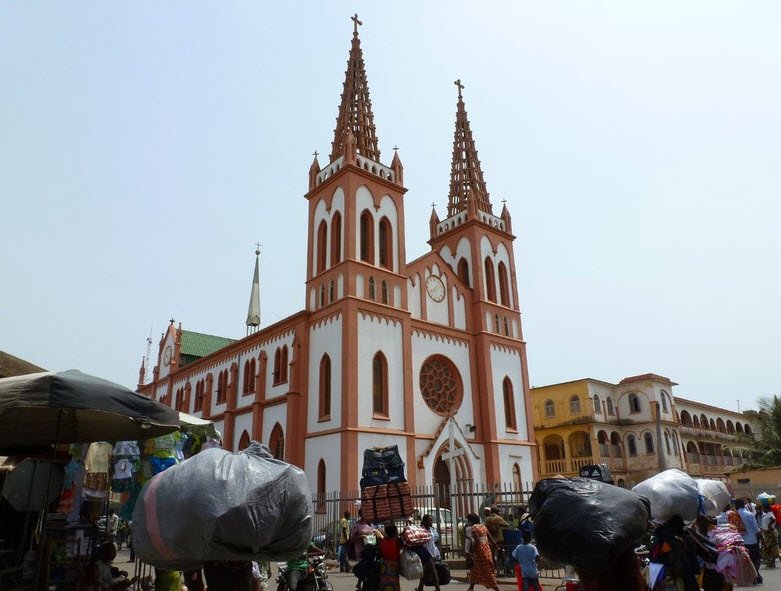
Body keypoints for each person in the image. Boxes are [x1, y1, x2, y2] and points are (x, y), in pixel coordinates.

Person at [464, 513, 500, 591]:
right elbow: (490, 538)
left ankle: (495, 587)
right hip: (486, 549)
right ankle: (471, 587)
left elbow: (477, 541)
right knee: (476, 568)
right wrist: (496, 546)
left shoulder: (474, 528)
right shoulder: (483, 526)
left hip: (479, 550)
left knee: (485, 569)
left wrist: (472, 550)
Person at [735, 498, 762, 584]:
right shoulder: (749, 514)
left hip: (739, 542)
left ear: (737, 505)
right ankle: (756, 575)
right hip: (751, 540)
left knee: (744, 561)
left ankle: (749, 577)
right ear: (744, 504)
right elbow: (755, 528)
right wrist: (760, 535)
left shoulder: (734, 515)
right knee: (755, 559)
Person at [415, 515, 441, 591]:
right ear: (425, 521)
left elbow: (434, 540)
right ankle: (438, 589)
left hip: (432, 553)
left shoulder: (431, 530)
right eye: (429, 520)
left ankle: (420, 588)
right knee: (433, 572)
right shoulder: (420, 530)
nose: (431, 522)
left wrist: (436, 553)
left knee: (425, 572)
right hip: (425, 554)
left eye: (431, 520)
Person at [378, 524, 403, 591]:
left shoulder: (382, 542)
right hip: (394, 567)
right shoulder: (397, 541)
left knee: (384, 585)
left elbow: (380, 554)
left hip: (384, 567)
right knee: (394, 585)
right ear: (395, 532)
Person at [759, 504, 778, 568]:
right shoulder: (767, 514)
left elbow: (773, 519)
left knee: (771, 547)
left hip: (769, 533)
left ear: (767, 508)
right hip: (767, 532)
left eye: (763, 508)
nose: (763, 510)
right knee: (770, 547)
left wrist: (769, 525)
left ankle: (772, 562)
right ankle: (771, 562)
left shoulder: (770, 514)